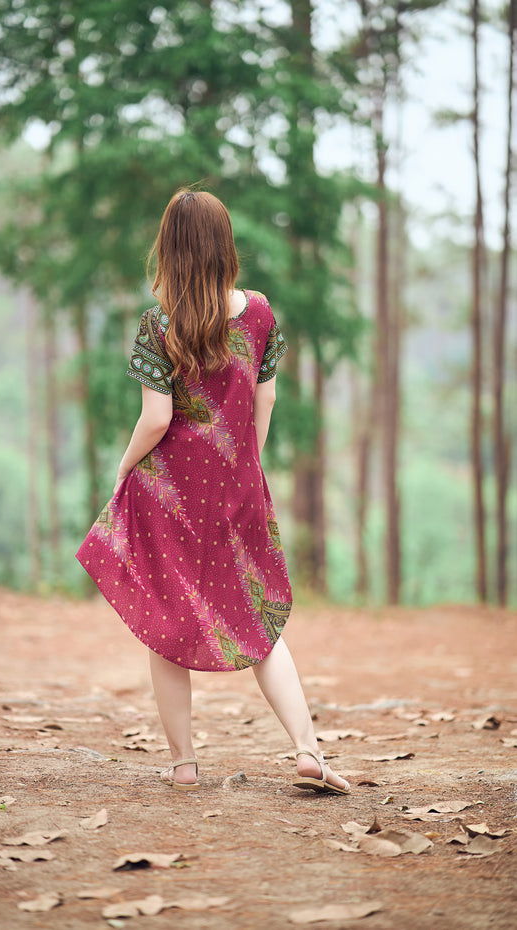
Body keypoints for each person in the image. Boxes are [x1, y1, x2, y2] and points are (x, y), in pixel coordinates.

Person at [76, 189, 349, 796]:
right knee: (260, 621)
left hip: (170, 492)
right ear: (226, 247)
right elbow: (267, 397)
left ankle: (184, 764)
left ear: (170, 249)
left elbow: (155, 421)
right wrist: (246, 463)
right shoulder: (260, 313)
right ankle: (307, 750)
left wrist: (123, 470)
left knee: (167, 622)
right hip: (236, 489)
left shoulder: (160, 324)